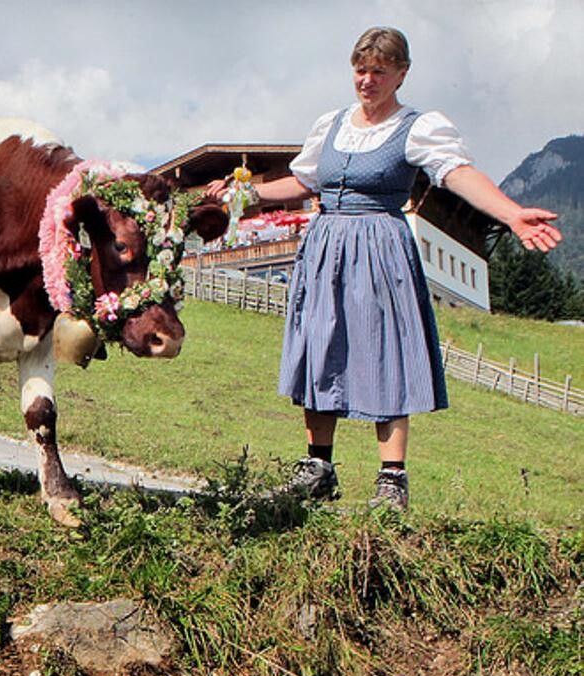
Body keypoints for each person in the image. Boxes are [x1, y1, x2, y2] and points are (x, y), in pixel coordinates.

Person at [205, 26, 561, 510]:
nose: (367, 80)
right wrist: (242, 194)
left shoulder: (416, 127)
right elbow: (304, 180)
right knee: (319, 342)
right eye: (360, 70)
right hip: (326, 247)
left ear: (401, 74)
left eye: (379, 71)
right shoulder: (331, 124)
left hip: (380, 248)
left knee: (383, 348)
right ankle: (318, 468)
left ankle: (392, 479)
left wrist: (511, 213)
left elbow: (457, 174)